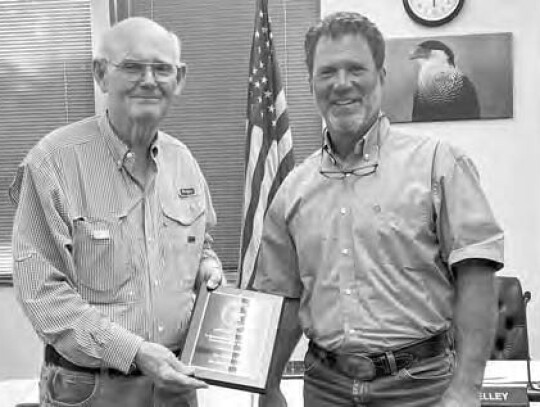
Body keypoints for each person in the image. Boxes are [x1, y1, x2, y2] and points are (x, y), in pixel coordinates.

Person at [255, 11, 503, 407]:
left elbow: (476, 273)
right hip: (324, 389)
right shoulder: (293, 190)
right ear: (311, 84)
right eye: (327, 72)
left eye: (356, 69)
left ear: (382, 77)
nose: (342, 84)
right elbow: (285, 298)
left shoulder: (439, 164)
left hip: (420, 389)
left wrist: (467, 388)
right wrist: (267, 384)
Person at [10, 17, 224, 407]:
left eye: (162, 69)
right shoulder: (52, 163)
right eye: (131, 66)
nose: (149, 80)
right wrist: (136, 351)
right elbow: (43, 294)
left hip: (175, 385)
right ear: (100, 74)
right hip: (91, 389)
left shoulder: (184, 161)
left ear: (180, 79)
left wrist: (207, 268)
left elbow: (200, 242)